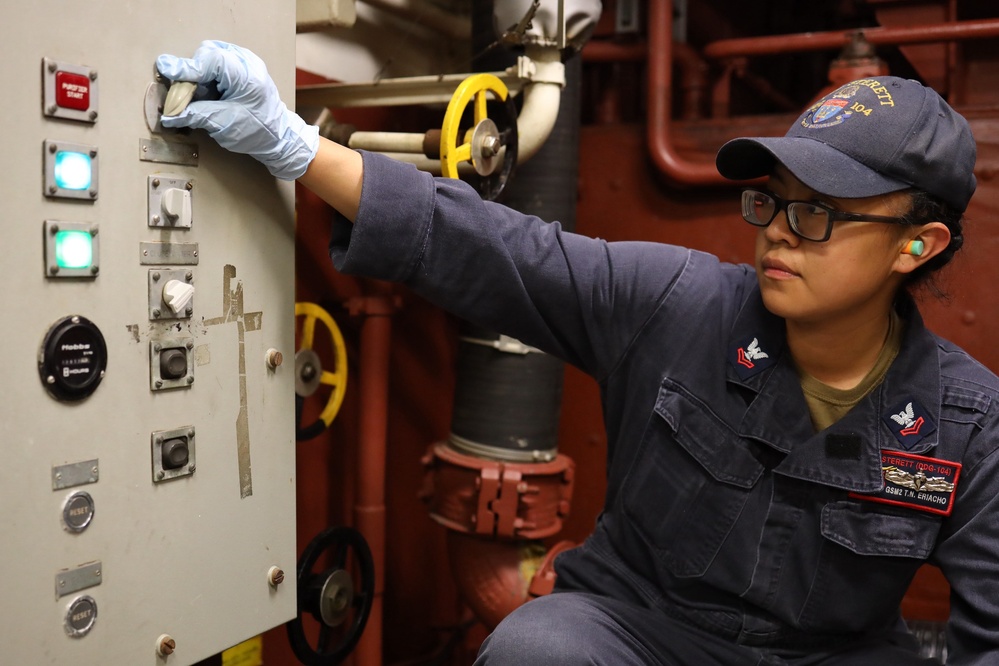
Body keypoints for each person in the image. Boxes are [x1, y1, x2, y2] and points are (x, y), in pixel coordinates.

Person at [157, 41, 999, 665]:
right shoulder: (678, 303)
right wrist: (296, 147)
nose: (779, 229)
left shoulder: (967, 427)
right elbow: (501, 251)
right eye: (773, 201)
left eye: (819, 212)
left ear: (914, 246)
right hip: (641, 632)